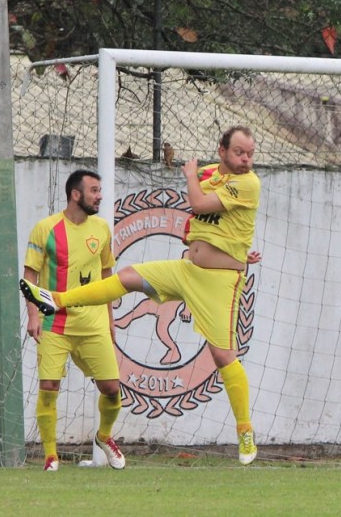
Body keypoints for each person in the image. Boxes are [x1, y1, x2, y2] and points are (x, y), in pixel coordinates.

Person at [21, 125, 263, 465]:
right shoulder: (213, 173)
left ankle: (245, 431)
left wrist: (191, 174)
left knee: (223, 355)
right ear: (222, 150)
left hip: (219, 282)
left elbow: (196, 201)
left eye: (251, 153)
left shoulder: (247, 182)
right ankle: (56, 299)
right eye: (240, 152)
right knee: (128, 277)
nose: (247, 160)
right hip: (187, 270)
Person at [23, 169, 125, 471]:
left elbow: (107, 276)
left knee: (111, 389)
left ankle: (104, 437)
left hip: (93, 324)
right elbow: (30, 275)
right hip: (55, 323)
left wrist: (109, 319)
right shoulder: (46, 229)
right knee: (49, 385)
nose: (100, 196)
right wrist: (33, 315)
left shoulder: (102, 229)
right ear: (76, 194)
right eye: (94, 190)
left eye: (100, 190)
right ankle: (51, 456)